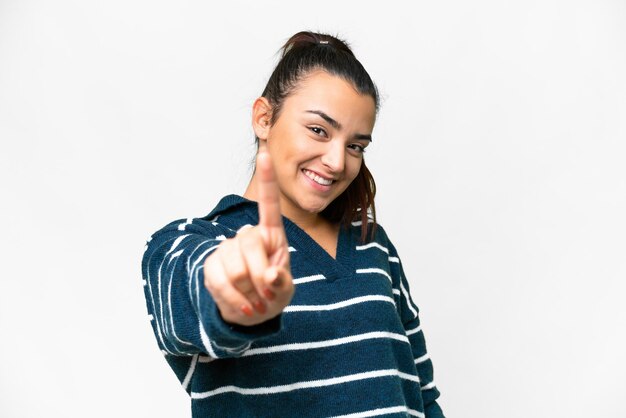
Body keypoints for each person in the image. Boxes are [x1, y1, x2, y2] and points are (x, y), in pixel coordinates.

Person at [142, 30, 445, 418]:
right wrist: (235, 283)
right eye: (319, 130)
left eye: (356, 146)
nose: (338, 162)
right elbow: (192, 295)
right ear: (264, 118)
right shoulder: (188, 244)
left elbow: (423, 393)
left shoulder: (374, 245)